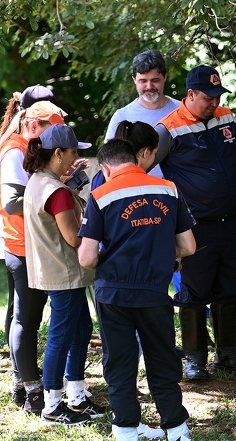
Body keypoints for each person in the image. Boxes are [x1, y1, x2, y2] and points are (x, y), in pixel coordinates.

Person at [79, 138, 196, 441]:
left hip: (113, 293)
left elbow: (87, 257)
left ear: (105, 167)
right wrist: (166, 256)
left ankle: (127, 429)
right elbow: (188, 245)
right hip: (154, 292)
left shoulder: (100, 195)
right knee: (163, 359)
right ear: (134, 160)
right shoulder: (168, 189)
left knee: (119, 362)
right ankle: (176, 429)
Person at [154, 65, 236, 381]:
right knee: (194, 292)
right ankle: (195, 358)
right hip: (195, 226)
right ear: (190, 95)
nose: (214, 102)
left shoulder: (225, 117)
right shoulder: (168, 128)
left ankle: (228, 354)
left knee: (229, 290)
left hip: (231, 222)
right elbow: (145, 166)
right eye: (208, 97)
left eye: (217, 96)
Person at [0, 100, 65, 414]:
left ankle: (22, 382)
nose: (55, 141)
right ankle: (31, 390)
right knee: (26, 319)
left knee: (23, 315)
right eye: (51, 132)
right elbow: (13, 203)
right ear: (34, 127)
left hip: (24, 243)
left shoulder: (21, 147)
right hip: (22, 245)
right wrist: (55, 187)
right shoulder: (16, 152)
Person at [23, 124, 104, 425]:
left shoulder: (39, 181)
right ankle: (53, 405)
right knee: (60, 337)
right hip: (64, 273)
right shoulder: (55, 191)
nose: (76, 157)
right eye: (73, 152)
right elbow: (73, 238)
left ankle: (77, 396)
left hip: (53, 270)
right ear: (58, 153)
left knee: (81, 331)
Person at [105, 49, 181, 179]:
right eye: (143, 81)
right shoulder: (122, 116)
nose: (149, 86)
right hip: (138, 192)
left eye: (155, 80)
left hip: (179, 192)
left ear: (165, 77)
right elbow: (110, 163)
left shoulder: (182, 110)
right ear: (134, 79)